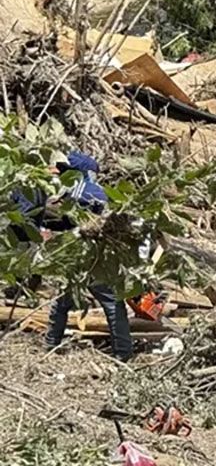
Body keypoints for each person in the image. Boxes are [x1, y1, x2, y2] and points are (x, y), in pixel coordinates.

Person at [38, 151, 134, 362]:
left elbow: (62, 217)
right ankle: (123, 353)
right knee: (109, 304)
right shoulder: (96, 191)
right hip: (94, 257)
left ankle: (51, 344)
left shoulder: (79, 190)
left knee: (66, 301)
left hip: (87, 256)